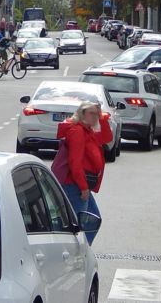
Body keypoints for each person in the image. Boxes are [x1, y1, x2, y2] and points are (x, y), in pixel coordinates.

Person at [56, 101, 112, 245]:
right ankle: (79, 255)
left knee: (91, 220)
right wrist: (83, 187)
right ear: (82, 114)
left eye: (96, 114)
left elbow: (106, 138)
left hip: (79, 184)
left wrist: (103, 118)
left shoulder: (87, 131)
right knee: (81, 226)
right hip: (74, 185)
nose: (95, 117)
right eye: (92, 113)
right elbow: (75, 163)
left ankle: (81, 253)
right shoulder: (78, 132)